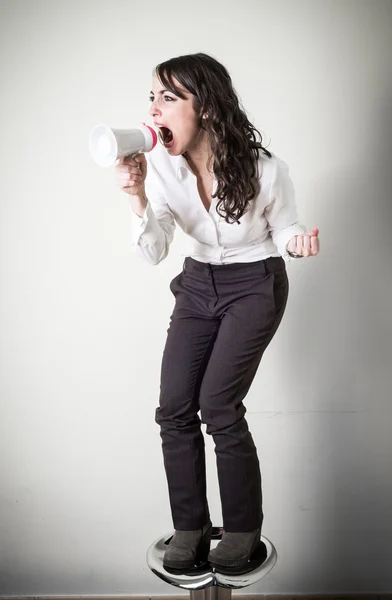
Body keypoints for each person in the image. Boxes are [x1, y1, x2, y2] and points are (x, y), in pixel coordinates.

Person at [115, 52, 320, 575]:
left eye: (169, 97)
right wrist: (137, 196)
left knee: (218, 405)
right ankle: (190, 528)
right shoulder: (159, 166)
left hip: (255, 284)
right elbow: (155, 251)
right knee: (173, 407)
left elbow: (286, 230)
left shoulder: (265, 169)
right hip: (198, 283)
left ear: (204, 107)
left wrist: (300, 243)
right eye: (152, 98)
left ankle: (243, 529)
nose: (155, 110)